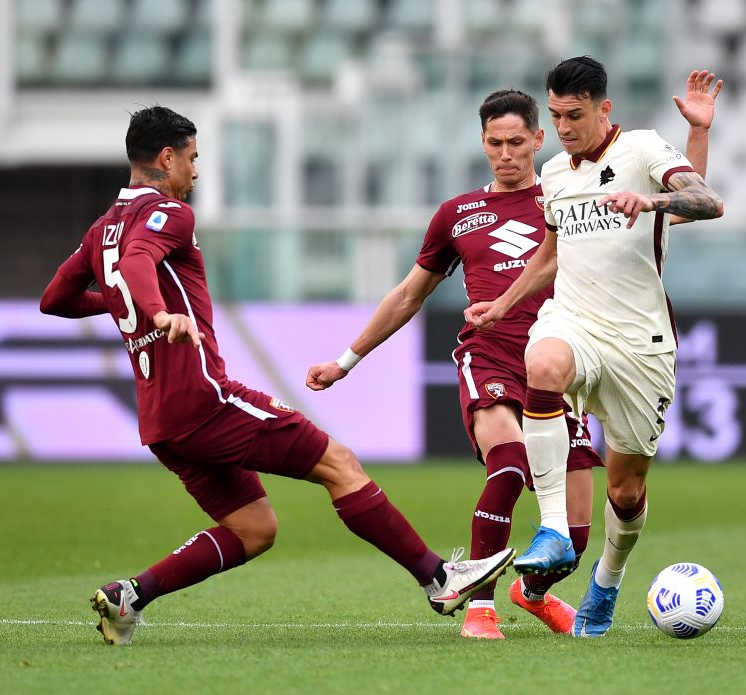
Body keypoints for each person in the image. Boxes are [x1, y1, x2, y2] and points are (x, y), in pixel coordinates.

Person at [39, 106, 514, 646]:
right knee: (339, 463)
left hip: (160, 421)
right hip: (205, 400)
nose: (196, 172)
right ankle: (440, 579)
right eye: (193, 159)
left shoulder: (102, 229)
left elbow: (55, 298)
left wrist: (121, 301)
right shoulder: (168, 214)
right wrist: (156, 311)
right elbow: (141, 260)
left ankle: (130, 595)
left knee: (255, 529)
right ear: (166, 158)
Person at [308, 70, 721, 639]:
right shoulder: (457, 214)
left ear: (537, 141)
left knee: (584, 532)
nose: (505, 154)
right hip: (503, 355)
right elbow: (408, 294)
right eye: (494, 143)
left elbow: (684, 205)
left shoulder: (575, 179)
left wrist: (691, 143)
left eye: (517, 141)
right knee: (508, 460)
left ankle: (534, 590)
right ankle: (479, 606)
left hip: (607, 349)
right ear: (482, 143)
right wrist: (346, 361)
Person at [465, 57, 724, 638]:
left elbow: (708, 202)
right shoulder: (555, 174)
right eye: (555, 115)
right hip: (575, 321)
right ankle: (553, 527)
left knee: (626, 490)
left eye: (574, 115)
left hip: (641, 343)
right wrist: (502, 306)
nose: (562, 127)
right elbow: (551, 257)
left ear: (603, 109)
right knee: (543, 361)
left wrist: (658, 191)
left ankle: (607, 579)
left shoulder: (642, 149)